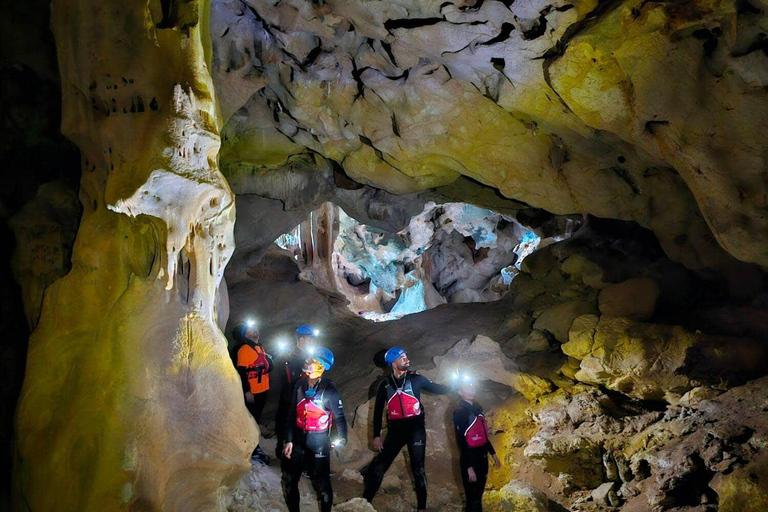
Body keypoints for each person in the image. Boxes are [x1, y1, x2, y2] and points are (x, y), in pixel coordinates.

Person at [363, 347, 452, 510]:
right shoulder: (384, 384)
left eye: (406, 356)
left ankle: (422, 508)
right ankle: (364, 503)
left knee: (418, 469)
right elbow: (377, 412)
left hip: (415, 429)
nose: (407, 359)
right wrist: (376, 435)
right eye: (402, 357)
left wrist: (455, 382)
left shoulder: (416, 379)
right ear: (393, 362)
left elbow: (439, 389)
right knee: (378, 467)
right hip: (395, 430)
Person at [283, 347, 347, 512]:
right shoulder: (299, 384)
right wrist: (289, 439)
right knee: (290, 480)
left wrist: (342, 437)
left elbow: (340, 418)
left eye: (311, 359)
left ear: (321, 366)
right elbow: (292, 413)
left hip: (319, 441)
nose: (307, 360)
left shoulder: (330, 391)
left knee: (322, 483)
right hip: (298, 439)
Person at [452, 377, 501, 512]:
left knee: (478, 496)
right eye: (467, 386)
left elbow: (484, 436)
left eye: (472, 384)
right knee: (472, 499)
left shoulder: (478, 409)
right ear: (460, 391)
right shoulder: (460, 412)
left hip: (482, 457)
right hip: (470, 458)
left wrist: (494, 455)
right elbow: (460, 440)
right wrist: (468, 467)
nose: (471, 387)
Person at [275, 324, 319, 457]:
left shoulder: (309, 356)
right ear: (301, 339)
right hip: (291, 395)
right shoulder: (292, 356)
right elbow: (290, 377)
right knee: (287, 422)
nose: (312, 341)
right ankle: (283, 450)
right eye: (309, 338)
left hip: (303, 396)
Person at [234, 323, 274, 463]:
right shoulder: (245, 349)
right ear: (245, 335)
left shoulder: (259, 348)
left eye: (256, 328)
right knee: (251, 421)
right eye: (251, 330)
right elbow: (242, 372)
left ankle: (254, 447)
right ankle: (250, 449)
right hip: (253, 393)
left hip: (262, 390)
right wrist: (246, 391)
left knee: (256, 420)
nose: (255, 330)